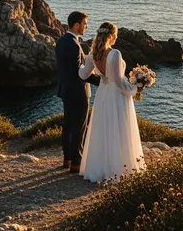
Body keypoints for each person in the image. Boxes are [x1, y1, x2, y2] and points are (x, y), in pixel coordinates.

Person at [78, 22, 146, 183]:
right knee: (118, 128)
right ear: (112, 35)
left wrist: (79, 65)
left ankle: (99, 168)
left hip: (102, 93)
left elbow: (82, 75)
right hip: (116, 95)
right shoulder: (114, 54)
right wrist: (134, 88)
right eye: (116, 35)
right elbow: (118, 81)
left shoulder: (92, 54)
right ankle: (118, 168)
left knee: (103, 127)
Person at [56, 11, 100, 173]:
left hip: (66, 90)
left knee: (68, 125)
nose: (86, 27)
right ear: (76, 25)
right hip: (78, 91)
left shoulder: (61, 41)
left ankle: (67, 159)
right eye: (84, 24)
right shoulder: (74, 44)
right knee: (79, 127)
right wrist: (101, 82)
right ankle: (76, 162)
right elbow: (78, 72)